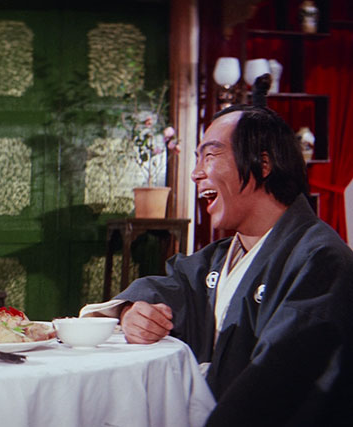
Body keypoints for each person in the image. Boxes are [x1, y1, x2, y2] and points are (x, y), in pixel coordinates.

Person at [80, 76, 352, 426]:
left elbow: (279, 385)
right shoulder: (221, 256)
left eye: (210, 155)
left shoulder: (321, 261)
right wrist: (132, 311)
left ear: (263, 164)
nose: (195, 173)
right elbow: (169, 288)